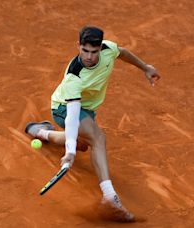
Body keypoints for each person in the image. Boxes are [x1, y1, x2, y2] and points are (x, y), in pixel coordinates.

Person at [25, 26, 160, 222]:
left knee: (85, 143)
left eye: (93, 52)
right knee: (97, 138)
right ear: (78, 46)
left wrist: (146, 67)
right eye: (84, 50)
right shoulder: (74, 76)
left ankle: (41, 131)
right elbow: (72, 117)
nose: (88, 56)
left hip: (87, 109)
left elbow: (122, 53)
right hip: (64, 107)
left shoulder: (108, 50)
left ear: (100, 48)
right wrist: (69, 152)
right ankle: (110, 197)